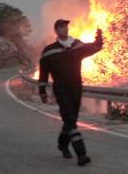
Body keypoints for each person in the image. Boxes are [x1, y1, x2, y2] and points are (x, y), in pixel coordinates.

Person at [38, 19, 103, 166]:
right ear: (56, 30)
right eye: (61, 27)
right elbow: (43, 73)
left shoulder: (77, 45)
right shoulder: (49, 51)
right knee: (69, 118)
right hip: (61, 89)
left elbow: (94, 48)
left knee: (71, 120)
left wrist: (99, 40)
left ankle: (62, 145)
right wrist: (42, 91)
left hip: (76, 88)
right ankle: (81, 154)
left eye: (66, 27)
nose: (65, 29)